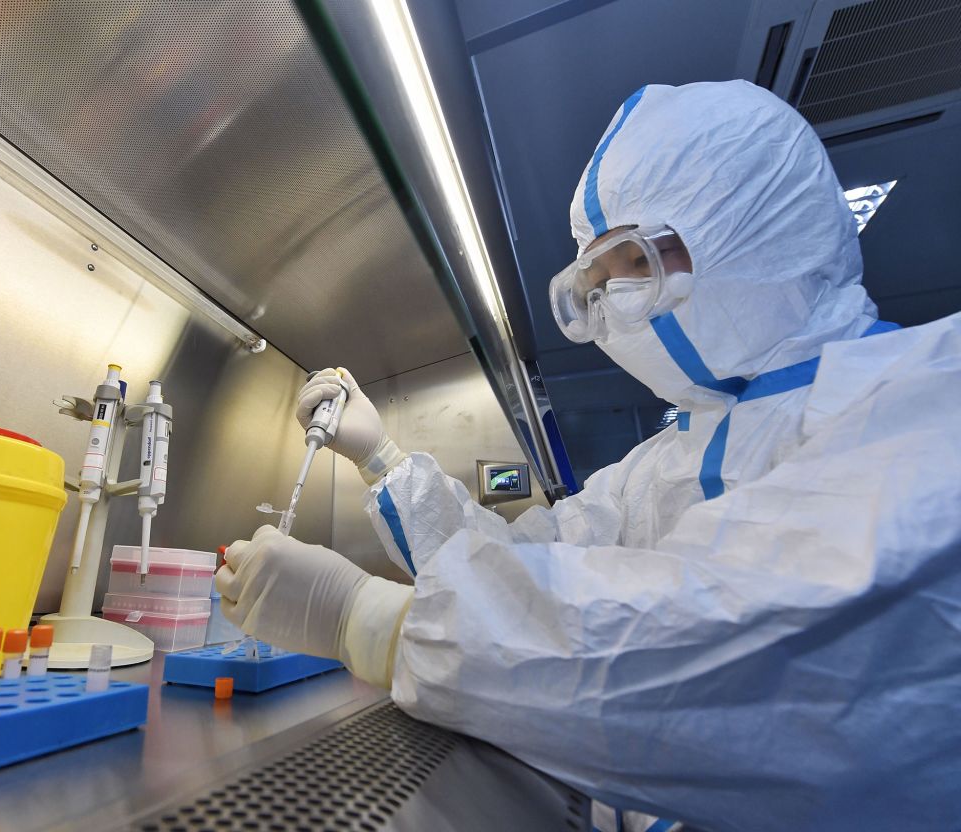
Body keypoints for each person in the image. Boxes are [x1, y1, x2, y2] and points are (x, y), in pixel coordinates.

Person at [216, 80, 961, 831]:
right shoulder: (669, 458)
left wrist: (366, 618)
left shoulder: (929, 394)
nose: (609, 312)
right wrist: (383, 460)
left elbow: (738, 652)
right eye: (594, 286)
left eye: (627, 267)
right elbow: (519, 564)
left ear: (743, 227)